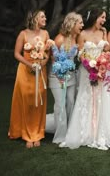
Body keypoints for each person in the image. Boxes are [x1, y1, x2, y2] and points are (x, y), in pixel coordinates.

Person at [60, 8, 110, 150]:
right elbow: (80, 54)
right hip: (86, 71)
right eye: (102, 17)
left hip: (102, 72)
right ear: (95, 17)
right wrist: (89, 67)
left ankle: (100, 133)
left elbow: (106, 51)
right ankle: (85, 132)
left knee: (102, 99)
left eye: (105, 18)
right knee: (86, 98)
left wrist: (101, 63)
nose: (104, 20)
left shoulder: (103, 32)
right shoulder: (82, 34)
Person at [8, 10, 52, 148]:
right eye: (42, 16)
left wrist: (40, 65)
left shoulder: (45, 34)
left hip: (40, 70)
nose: (45, 18)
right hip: (25, 71)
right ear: (34, 19)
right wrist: (30, 65)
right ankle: (27, 134)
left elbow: (47, 54)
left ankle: (38, 133)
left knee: (39, 101)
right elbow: (17, 53)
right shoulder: (23, 34)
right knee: (26, 100)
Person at [45, 12, 84, 144]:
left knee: (71, 103)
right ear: (72, 23)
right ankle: (60, 136)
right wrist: (60, 76)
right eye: (80, 23)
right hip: (57, 77)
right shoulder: (60, 39)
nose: (82, 25)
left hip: (71, 76)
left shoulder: (77, 38)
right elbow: (53, 60)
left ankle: (70, 132)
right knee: (60, 105)